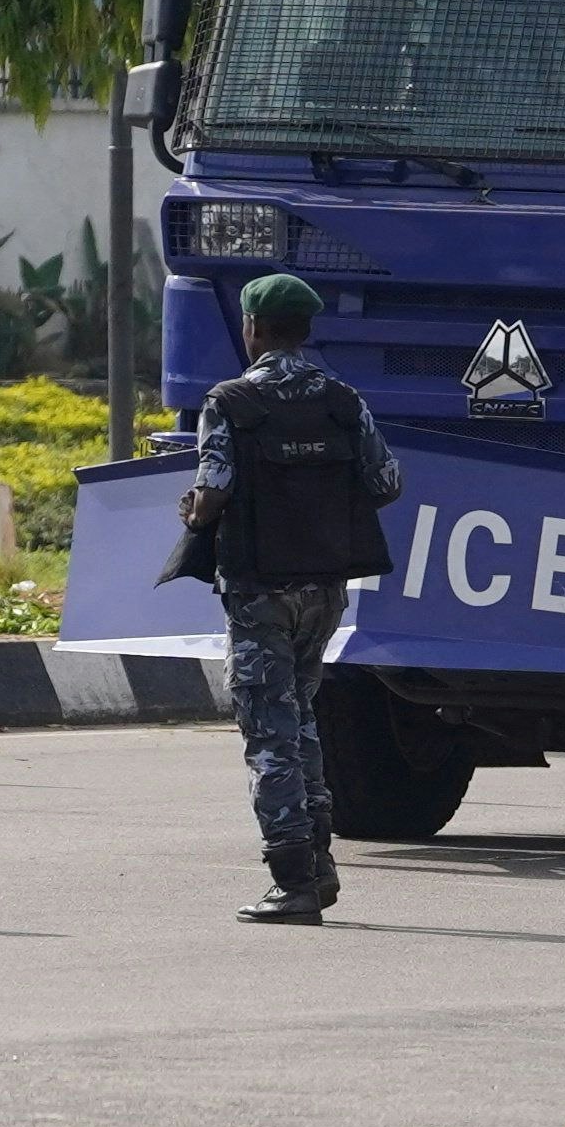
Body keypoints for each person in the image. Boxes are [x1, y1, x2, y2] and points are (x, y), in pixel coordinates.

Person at [178, 272, 399, 926]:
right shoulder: (341, 400)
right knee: (300, 719)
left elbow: (212, 489)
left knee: (269, 733)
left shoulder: (230, 401)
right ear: (304, 330)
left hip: (258, 592)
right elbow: (386, 482)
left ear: (252, 328)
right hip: (324, 588)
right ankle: (319, 866)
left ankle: (292, 880)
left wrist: (193, 514)